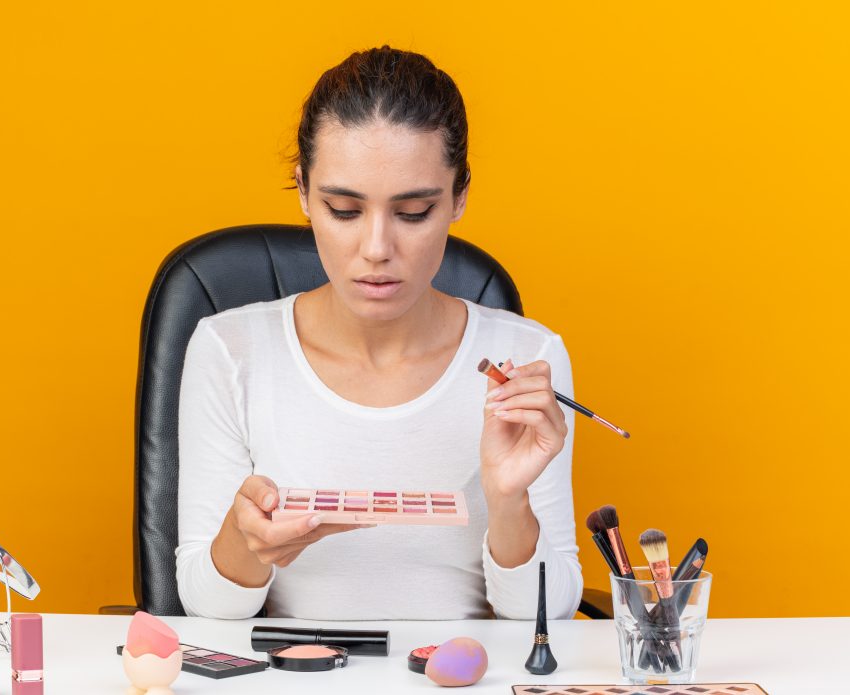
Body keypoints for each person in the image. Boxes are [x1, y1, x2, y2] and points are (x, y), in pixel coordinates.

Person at [175, 45, 582, 620]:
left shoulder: (527, 356)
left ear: (459, 196)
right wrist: (248, 543)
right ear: (303, 192)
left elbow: (549, 616)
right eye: (343, 209)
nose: (376, 250)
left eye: (414, 212)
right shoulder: (230, 351)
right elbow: (206, 608)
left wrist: (509, 502)